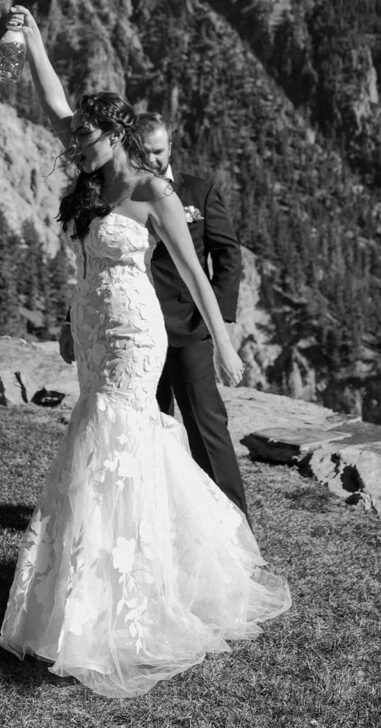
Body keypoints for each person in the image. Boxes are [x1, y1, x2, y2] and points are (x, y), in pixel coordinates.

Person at [0, 6, 291, 699]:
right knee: (105, 440)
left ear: (116, 135)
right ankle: (88, 592)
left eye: (91, 139)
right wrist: (34, 36)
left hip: (136, 331)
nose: (80, 147)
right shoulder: (96, 172)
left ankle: (128, 605)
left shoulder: (152, 188)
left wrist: (223, 342)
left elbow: (192, 271)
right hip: (96, 327)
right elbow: (54, 103)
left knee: (113, 437)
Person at [60, 112, 249, 517]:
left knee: (206, 428)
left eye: (160, 151)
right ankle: (151, 517)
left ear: (171, 147)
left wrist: (221, 330)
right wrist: (68, 320)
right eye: (147, 152)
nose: (155, 159)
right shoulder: (113, 189)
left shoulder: (197, 190)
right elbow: (91, 264)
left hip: (188, 328)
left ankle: (234, 523)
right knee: (143, 430)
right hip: (129, 332)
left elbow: (226, 258)